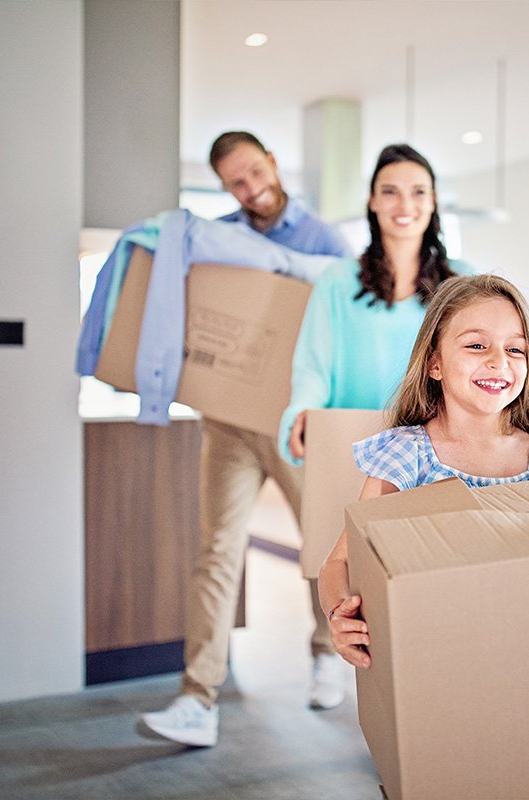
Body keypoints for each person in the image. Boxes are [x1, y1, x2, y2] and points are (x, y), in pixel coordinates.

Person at [141, 132, 350, 748]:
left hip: (296, 426)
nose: (251, 188)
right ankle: (196, 696)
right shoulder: (222, 241)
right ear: (225, 187)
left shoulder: (323, 241)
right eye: (237, 182)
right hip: (229, 424)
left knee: (321, 546)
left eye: (256, 172)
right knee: (218, 551)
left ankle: (324, 653)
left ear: (273, 163)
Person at [317, 274, 529, 669]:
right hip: (436, 656)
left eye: (515, 349)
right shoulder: (406, 456)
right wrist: (339, 615)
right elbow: (340, 562)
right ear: (434, 363)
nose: (498, 361)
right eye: (477, 345)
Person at [279, 143, 472, 465]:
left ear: (433, 201)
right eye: (390, 191)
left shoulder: (464, 283)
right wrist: (300, 412)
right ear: (373, 201)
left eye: (419, 192)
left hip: (439, 453)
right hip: (351, 449)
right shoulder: (337, 281)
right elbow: (313, 367)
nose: (405, 204)